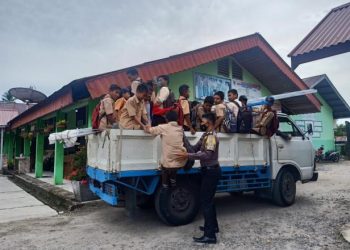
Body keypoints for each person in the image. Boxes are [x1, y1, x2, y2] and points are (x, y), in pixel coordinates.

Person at [176, 112, 221, 244]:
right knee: (209, 200)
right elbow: (195, 148)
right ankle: (213, 226)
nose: (201, 123)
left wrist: (188, 156)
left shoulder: (212, 137)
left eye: (203, 121)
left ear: (209, 122)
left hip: (212, 172)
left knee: (206, 201)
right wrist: (185, 147)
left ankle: (210, 236)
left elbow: (207, 155)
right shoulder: (206, 135)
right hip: (208, 171)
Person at [144, 111, 187, 188]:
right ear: (177, 119)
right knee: (173, 163)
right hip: (181, 161)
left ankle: (165, 185)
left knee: (165, 166)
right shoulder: (180, 128)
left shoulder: (163, 127)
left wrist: (146, 126)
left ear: (166, 119)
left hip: (168, 162)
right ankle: (173, 181)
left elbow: (149, 130)